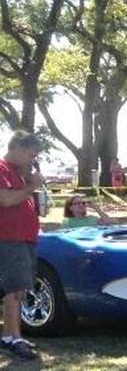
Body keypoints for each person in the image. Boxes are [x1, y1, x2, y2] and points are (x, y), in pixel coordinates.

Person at [0, 131, 45, 361]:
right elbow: (6, 199)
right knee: (14, 288)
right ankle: (15, 338)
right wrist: (31, 187)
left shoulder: (18, 171)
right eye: (30, 155)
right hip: (10, 237)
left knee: (21, 288)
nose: (32, 160)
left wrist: (30, 182)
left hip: (25, 236)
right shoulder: (2, 168)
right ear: (16, 148)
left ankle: (9, 336)